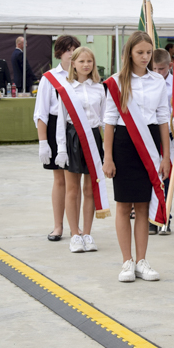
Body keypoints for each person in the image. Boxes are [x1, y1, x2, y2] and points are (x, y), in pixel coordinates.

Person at [103, 31, 171, 283]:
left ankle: (142, 260)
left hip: (151, 144)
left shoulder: (158, 81)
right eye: (140, 52)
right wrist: (107, 157)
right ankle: (126, 262)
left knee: (143, 205)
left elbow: (164, 119)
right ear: (129, 53)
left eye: (148, 53)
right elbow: (109, 121)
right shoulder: (116, 82)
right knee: (124, 205)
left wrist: (166, 156)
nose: (144, 57)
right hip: (123, 144)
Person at [54, 46, 107, 253]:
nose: (86, 65)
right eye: (81, 61)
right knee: (72, 188)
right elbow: (60, 121)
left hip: (93, 138)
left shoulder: (100, 88)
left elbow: (104, 120)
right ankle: (74, 234)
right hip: (72, 137)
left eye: (89, 61)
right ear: (73, 64)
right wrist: (61, 149)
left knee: (89, 188)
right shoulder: (66, 89)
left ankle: (87, 233)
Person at [34, 35, 81, 241]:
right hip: (55, 127)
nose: (71, 53)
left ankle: (76, 228)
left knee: (76, 181)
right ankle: (58, 226)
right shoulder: (49, 78)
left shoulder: (84, 75)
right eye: (67, 49)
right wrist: (43, 142)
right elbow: (41, 113)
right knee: (59, 179)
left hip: (77, 128)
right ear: (59, 52)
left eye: (74, 49)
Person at [152, 48, 174, 236]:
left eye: (161, 69)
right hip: (151, 134)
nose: (158, 73)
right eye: (154, 69)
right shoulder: (149, 82)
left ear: (170, 66)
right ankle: (152, 217)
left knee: (166, 175)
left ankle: (165, 216)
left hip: (169, 135)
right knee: (152, 175)